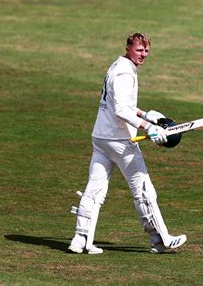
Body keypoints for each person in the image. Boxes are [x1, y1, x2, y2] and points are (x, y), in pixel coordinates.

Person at [68, 33, 187, 254]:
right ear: (128, 48)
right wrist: (149, 128)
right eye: (139, 50)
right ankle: (160, 240)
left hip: (101, 137)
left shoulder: (118, 66)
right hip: (120, 140)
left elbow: (121, 103)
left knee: (94, 189)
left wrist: (148, 114)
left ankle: (80, 239)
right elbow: (121, 110)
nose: (143, 55)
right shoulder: (124, 73)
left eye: (146, 51)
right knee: (143, 190)